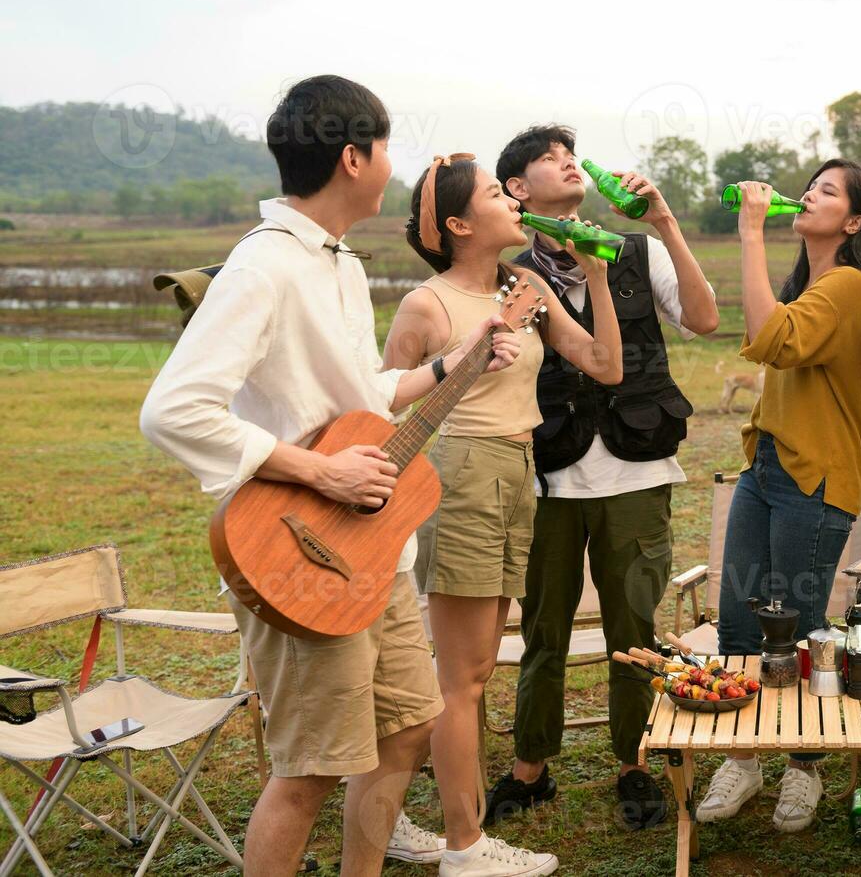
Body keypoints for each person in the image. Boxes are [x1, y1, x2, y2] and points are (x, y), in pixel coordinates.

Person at [139, 76, 554, 876]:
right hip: (297, 552)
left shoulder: (339, 265)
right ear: (352, 157)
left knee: (403, 729)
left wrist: (456, 362)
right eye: (386, 147)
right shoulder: (263, 267)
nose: (394, 165)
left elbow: (361, 394)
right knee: (309, 769)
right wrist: (319, 473)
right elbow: (173, 412)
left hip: (374, 554)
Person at [382, 153, 622, 873]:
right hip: (460, 472)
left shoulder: (527, 285)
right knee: (460, 677)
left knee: (476, 668)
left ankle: (390, 818)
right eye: (496, 194)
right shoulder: (427, 304)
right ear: (459, 224)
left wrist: (599, 275)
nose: (514, 203)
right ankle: (464, 845)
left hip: (518, 472)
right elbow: (383, 400)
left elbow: (605, 364)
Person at [489, 125, 719, 831]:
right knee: (544, 629)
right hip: (548, 474)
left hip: (638, 466)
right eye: (550, 159)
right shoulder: (507, 277)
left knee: (635, 628)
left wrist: (665, 222)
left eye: (571, 154)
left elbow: (706, 320)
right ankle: (530, 768)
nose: (569, 162)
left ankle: (635, 762)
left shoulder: (637, 250)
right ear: (518, 190)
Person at [694, 159, 861, 833]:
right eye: (810, 185)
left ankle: (804, 767)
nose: (807, 194)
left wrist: (750, 231)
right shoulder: (810, 280)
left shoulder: (848, 284)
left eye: (827, 191)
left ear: (856, 221)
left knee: (801, 630)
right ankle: (743, 759)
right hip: (768, 470)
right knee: (739, 625)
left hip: (816, 477)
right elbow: (773, 345)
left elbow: (769, 343)